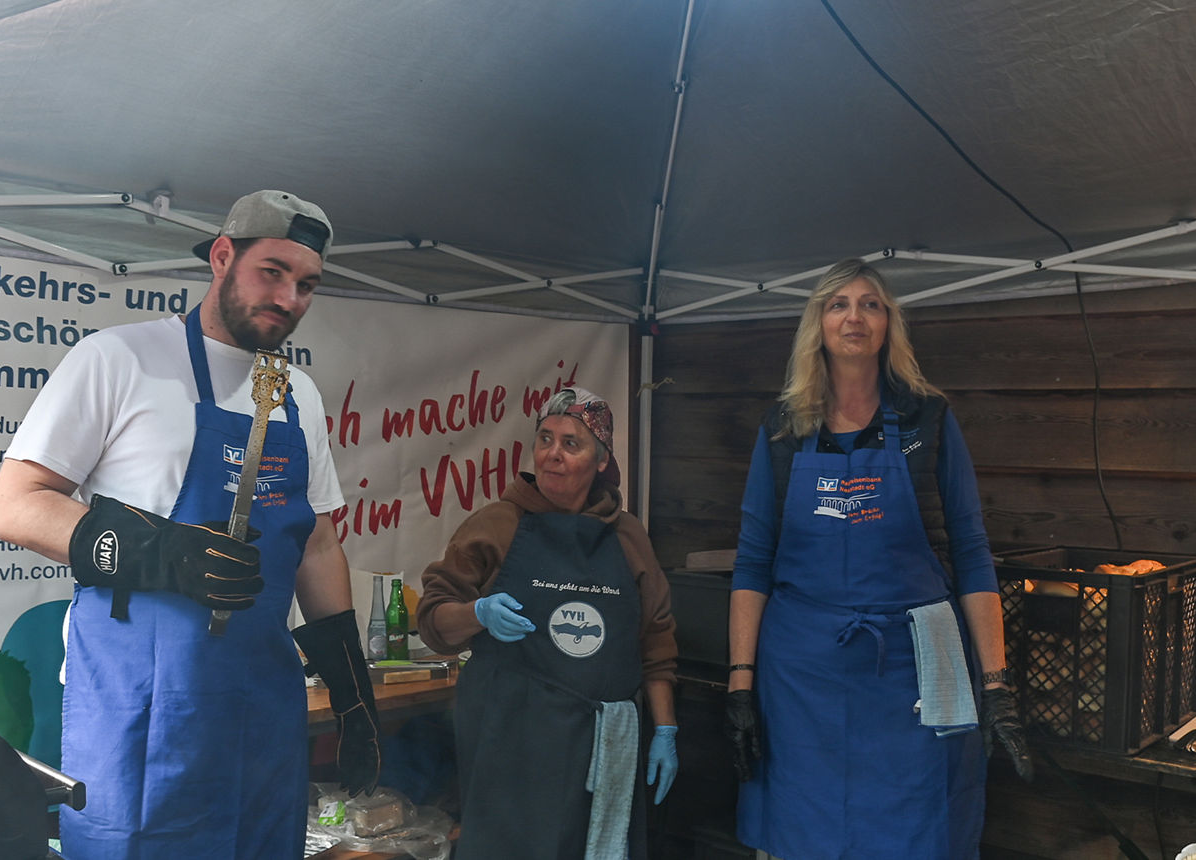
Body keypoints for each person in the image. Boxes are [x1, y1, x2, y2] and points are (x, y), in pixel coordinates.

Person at [0, 190, 382, 859]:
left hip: (261, 706)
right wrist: (163, 552)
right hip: (140, 712)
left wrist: (351, 689)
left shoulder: (297, 396)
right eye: (273, 272)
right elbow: (16, 505)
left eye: (307, 285)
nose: (289, 299)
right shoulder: (119, 359)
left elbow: (316, 544)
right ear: (222, 257)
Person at [722, 258, 1032, 859]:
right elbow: (753, 561)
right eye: (838, 304)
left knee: (917, 821)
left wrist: (996, 687)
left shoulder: (928, 419)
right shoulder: (783, 429)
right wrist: (740, 685)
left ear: (889, 324)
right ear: (818, 324)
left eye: (870, 303)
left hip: (913, 668)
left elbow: (971, 552)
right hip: (802, 674)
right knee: (803, 827)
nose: (854, 316)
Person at [417, 386, 678, 860]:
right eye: (544, 439)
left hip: (601, 746)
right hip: (510, 744)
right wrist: (476, 614)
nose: (552, 454)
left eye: (571, 444)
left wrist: (665, 731)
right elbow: (434, 619)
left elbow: (656, 644)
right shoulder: (496, 524)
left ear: (601, 462)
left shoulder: (628, 537)